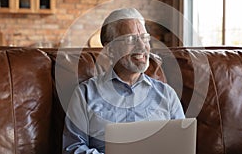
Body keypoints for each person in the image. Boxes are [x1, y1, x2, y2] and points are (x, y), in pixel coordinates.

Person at [62, 8, 185, 154]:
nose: (142, 46)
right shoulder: (85, 94)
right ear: (110, 49)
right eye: (131, 40)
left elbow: (181, 145)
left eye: (145, 38)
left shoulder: (167, 95)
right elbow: (73, 148)